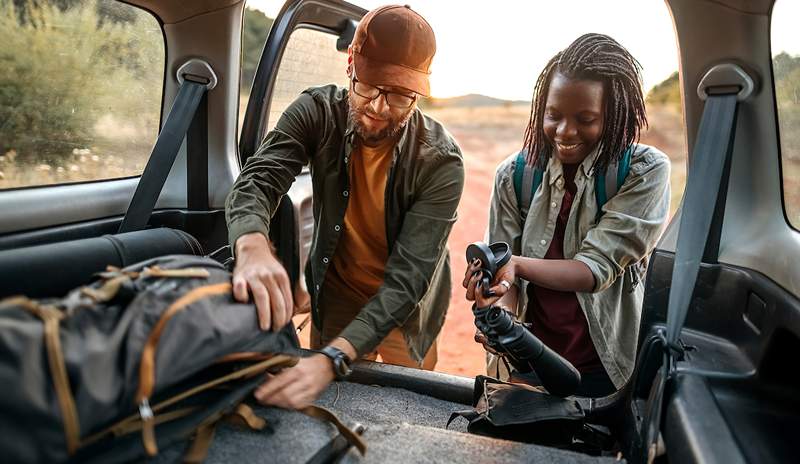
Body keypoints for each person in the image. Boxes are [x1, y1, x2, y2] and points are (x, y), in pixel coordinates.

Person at [226, 5, 464, 409]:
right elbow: (258, 179)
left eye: (400, 96)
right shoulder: (315, 112)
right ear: (350, 64)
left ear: (420, 92)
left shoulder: (442, 161)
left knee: (409, 409)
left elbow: (408, 280)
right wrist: (251, 246)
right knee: (329, 404)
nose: (378, 108)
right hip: (335, 293)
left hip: (405, 311)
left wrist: (334, 357)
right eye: (368, 86)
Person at [463, 33, 670, 397]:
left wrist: (518, 266)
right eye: (553, 116)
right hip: (527, 367)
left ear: (615, 115)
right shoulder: (514, 176)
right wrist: (498, 310)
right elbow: (504, 275)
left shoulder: (644, 171)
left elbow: (595, 269)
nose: (565, 132)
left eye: (586, 119)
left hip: (607, 369)